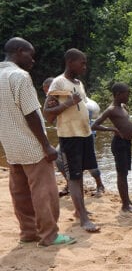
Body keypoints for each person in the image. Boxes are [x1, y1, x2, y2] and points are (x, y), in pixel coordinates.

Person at [0, 37, 75, 246]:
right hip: (31, 145)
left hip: (10, 145)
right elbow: (31, 113)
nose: (33, 60)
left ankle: (28, 232)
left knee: (20, 191)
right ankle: (49, 235)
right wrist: (46, 145)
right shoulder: (20, 76)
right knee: (45, 192)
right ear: (19, 51)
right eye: (30, 55)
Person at [43, 48, 100, 232]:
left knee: (80, 174)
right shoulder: (59, 83)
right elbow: (47, 114)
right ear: (70, 62)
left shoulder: (78, 83)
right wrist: (69, 103)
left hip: (85, 134)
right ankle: (83, 219)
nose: (85, 66)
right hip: (70, 137)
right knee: (74, 177)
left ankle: (79, 211)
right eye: (81, 63)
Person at [43, 77, 105, 198]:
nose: (48, 93)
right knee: (59, 158)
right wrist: (56, 108)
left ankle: (100, 185)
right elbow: (49, 119)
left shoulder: (72, 95)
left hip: (84, 132)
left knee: (89, 162)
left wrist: (66, 104)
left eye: (48, 90)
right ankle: (70, 184)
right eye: (46, 91)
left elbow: (87, 114)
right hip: (67, 135)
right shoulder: (53, 101)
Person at [91, 83, 132, 214]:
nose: (128, 96)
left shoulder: (123, 107)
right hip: (119, 144)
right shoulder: (111, 109)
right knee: (121, 174)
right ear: (118, 94)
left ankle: (127, 201)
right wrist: (112, 128)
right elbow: (94, 125)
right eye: (127, 93)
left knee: (124, 173)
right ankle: (125, 205)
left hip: (126, 143)